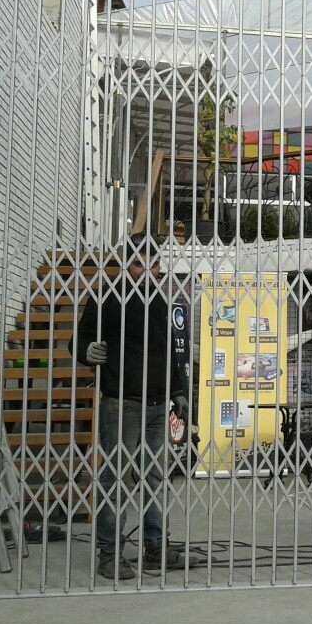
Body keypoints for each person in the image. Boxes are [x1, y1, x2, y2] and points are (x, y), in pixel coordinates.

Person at [73, 235, 200, 580]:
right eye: (139, 264)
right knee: (116, 480)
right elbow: (80, 338)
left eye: (152, 264)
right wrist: (87, 351)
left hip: (159, 405)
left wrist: (178, 390)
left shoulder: (158, 300)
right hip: (122, 405)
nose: (146, 270)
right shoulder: (108, 296)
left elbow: (168, 350)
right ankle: (109, 555)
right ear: (126, 263)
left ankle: (156, 549)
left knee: (155, 479)